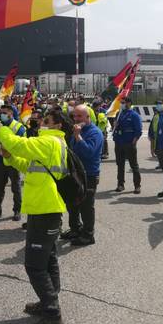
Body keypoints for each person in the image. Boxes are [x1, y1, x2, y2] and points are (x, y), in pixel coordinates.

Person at [0, 110, 71, 324]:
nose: (40, 123)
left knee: (34, 265)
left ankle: (53, 317)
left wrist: (0, 129)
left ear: (57, 124)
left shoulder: (50, 141)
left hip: (45, 208)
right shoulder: (51, 143)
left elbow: (19, 144)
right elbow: (28, 165)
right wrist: (9, 156)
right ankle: (49, 301)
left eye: (46, 120)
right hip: (42, 207)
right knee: (48, 258)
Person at [63, 104, 103, 246]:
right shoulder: (76, 130)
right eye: (74, 116)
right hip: (75, 173)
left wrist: (78, 136)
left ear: (88, 117)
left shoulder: (95, 132)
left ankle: (88, 235)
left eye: (79, 116)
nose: (76, 119)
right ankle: (75, 229)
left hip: (88, 174)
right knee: (72, 203)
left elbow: (89, 152)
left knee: (86, 206)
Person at [0, 104, 25, 220]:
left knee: (15, 187)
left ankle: (17, 210)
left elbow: (19, 144)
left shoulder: (18, 127)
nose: (2, 115)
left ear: (11, 114)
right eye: (1, 113)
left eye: (5, 113)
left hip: (13, 161)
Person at [112, 97, 142, 194]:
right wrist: (115, 125)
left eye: (123, 102)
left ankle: (137, 186)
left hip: (129, 143)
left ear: (129, 103)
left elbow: (138, 130)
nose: (121, 104)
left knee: (134, 165)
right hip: (119, 142)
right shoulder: (119, 114)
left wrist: (134, 141)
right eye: (121, 102)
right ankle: (120, 184)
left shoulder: (134, 115)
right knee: (120, 165)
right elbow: (115, 127)